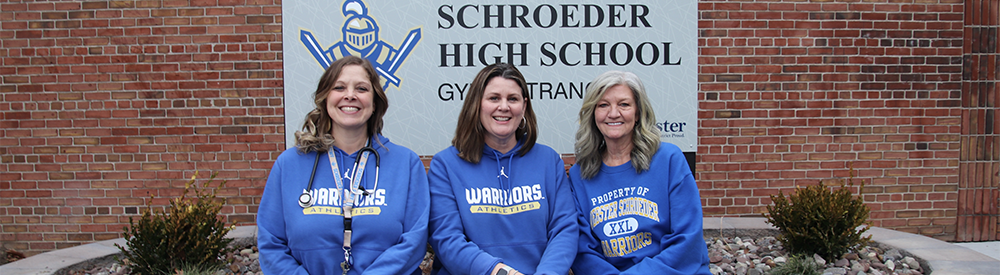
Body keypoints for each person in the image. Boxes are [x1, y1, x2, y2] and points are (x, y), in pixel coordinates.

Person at [257, 55, 429, 275]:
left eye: (361, 89)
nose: (350, 95)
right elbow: (271, 244)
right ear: (325, 98)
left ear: (375, 102)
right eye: (339, 87)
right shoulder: (289, 165)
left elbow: (414, 240)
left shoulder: (406, 163)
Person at [427, 63, 577, 275]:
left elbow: (564, 230)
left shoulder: (548, 161)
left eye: (513, 99)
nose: (504, 107)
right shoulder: (446, 165)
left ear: (524, 106)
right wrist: (500, 272)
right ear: (477, 104)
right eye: (494, 98)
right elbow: (447, 239)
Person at [568, 71, 711, 275]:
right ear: (593, 114)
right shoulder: (580, 174)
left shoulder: (669, 159)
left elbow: (687, 240)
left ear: (638, 113)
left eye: (624, 104)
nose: (613, 113)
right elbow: (584, 252)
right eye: (603, 105)